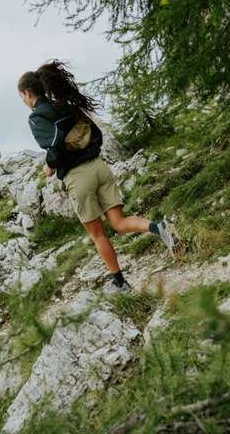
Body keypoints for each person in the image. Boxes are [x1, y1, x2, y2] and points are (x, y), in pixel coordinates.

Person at [18, 59, 185, 295]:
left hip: (79, 178)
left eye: (22, 97)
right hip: (100, 167)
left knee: (98, 235)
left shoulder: (37, 116)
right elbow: (94, 132)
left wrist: (50, 165)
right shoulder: (63, 105)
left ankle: (120, 283)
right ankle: (159, 227)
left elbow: (54, 144)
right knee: (119, 222)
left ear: (27, 93)